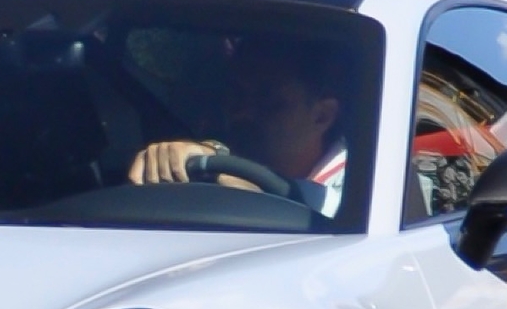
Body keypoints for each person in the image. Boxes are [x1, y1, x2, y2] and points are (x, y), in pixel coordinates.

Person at [127, 42, 350, 214]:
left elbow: (326, 209)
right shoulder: (223, 151)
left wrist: (217, 167)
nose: (244, 112)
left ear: (322, 115)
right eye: (237, 95)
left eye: (267, 102)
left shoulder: (365, 183)